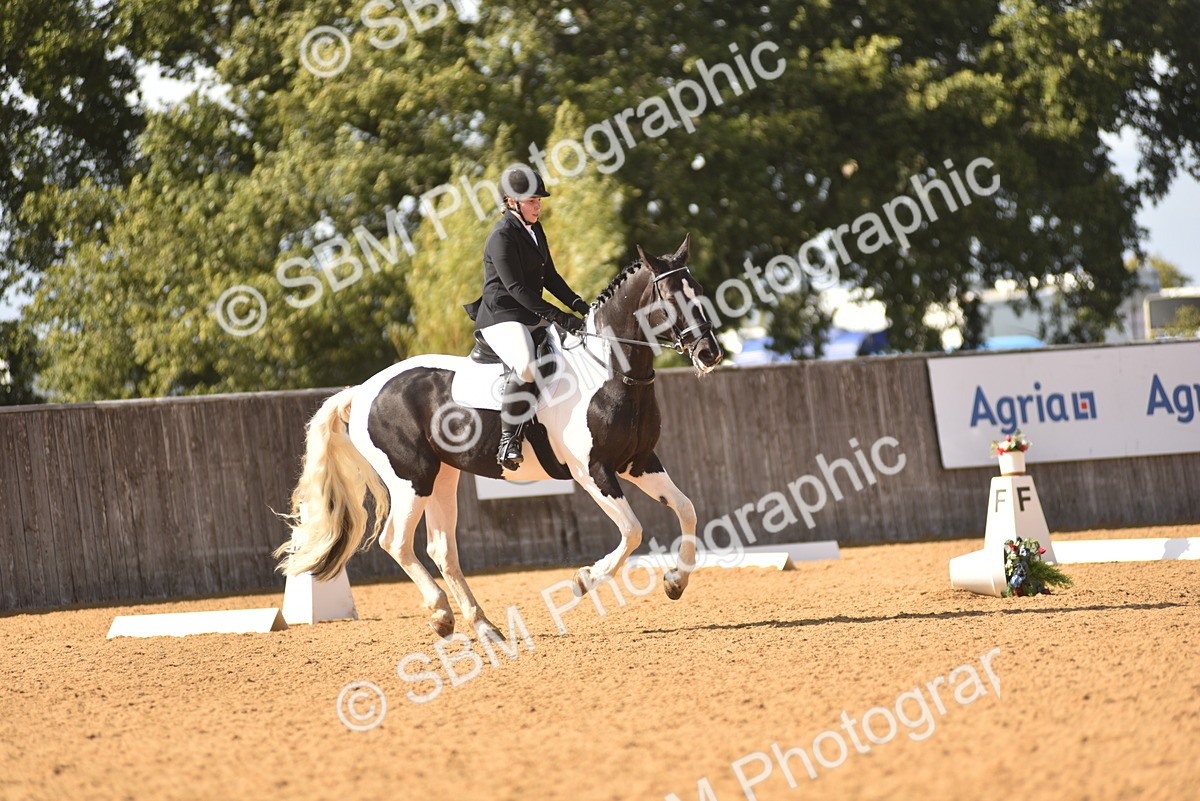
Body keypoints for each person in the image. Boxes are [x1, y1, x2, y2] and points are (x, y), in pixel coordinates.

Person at [463, 166, 589, 470]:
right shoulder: (501, 236)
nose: (538, 206)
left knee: (566, 356)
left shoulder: (536, 230)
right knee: (527, 365)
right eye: (532, 201)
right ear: (511, 202)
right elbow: (516, 288)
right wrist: (558, 317)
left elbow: (551, 277)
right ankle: (508, 441)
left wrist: (579, 306)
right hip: (501, 316)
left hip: (529, 313)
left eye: (539, 201)